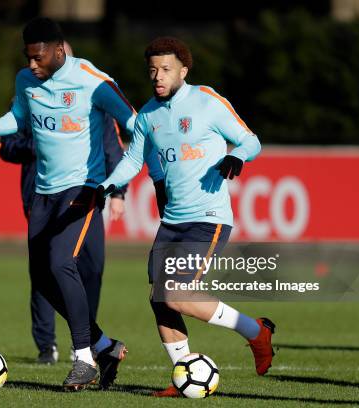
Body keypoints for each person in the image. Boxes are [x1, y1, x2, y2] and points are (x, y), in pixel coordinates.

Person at [0, 18, 164, 390]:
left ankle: (83, 358)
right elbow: (19, 117)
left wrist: (117, 181)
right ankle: (104, 346)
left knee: (60, 262)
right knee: (42, 276)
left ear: (58, 50)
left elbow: (135, 124)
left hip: (83, 188)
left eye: (38, 58)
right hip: (42, 193)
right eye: (28, 58)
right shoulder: (27, 81)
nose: (32, 65)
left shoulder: (92, 79)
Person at [99, 37, 275, 397]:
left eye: (165, 69)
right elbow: (134, 160)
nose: (157, 76)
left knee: (175, 294)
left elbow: (251, 141)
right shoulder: (147, 115)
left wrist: (237, 156)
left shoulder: (207, 100)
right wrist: (103, 186)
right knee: (159, 297)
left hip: (209, 217)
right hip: (172, 220)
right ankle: (184, 375)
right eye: (152, 70)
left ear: (183, 70)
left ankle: (256, 331)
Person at [0, 41, 128, 363]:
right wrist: (39, 143)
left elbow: (113, 142)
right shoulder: (28, 93)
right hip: (41, 196)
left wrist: (118, 191)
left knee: (90, 268)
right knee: (47, 271)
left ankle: (86, 343)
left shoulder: (89, 94)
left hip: (85, 193)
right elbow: (6, 145)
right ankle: (48, 347)